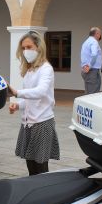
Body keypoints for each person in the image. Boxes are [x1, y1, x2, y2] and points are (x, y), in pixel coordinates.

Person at [8, 31, 60, 176]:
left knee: (41, 168)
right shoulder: (29, 70)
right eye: (23, 48)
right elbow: (30, 98)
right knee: (31, 166)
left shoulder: (46, 69)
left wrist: (17, 93)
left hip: (42, 123)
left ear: (38, 47)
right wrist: (18, 104)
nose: (26, 51)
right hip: (28, 122)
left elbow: (41, 92)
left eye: (29, 47)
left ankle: (45, 195)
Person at [80, 27, 102, 94]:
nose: (100, 36)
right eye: (100, 34)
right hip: (92, 70)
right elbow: (94, 54)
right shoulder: (94, 42)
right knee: (92, 94)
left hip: (87, 70)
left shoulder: (86, 42)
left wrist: (85, 66)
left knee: (88, 92)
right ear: (97, 34)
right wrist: (89, 66)